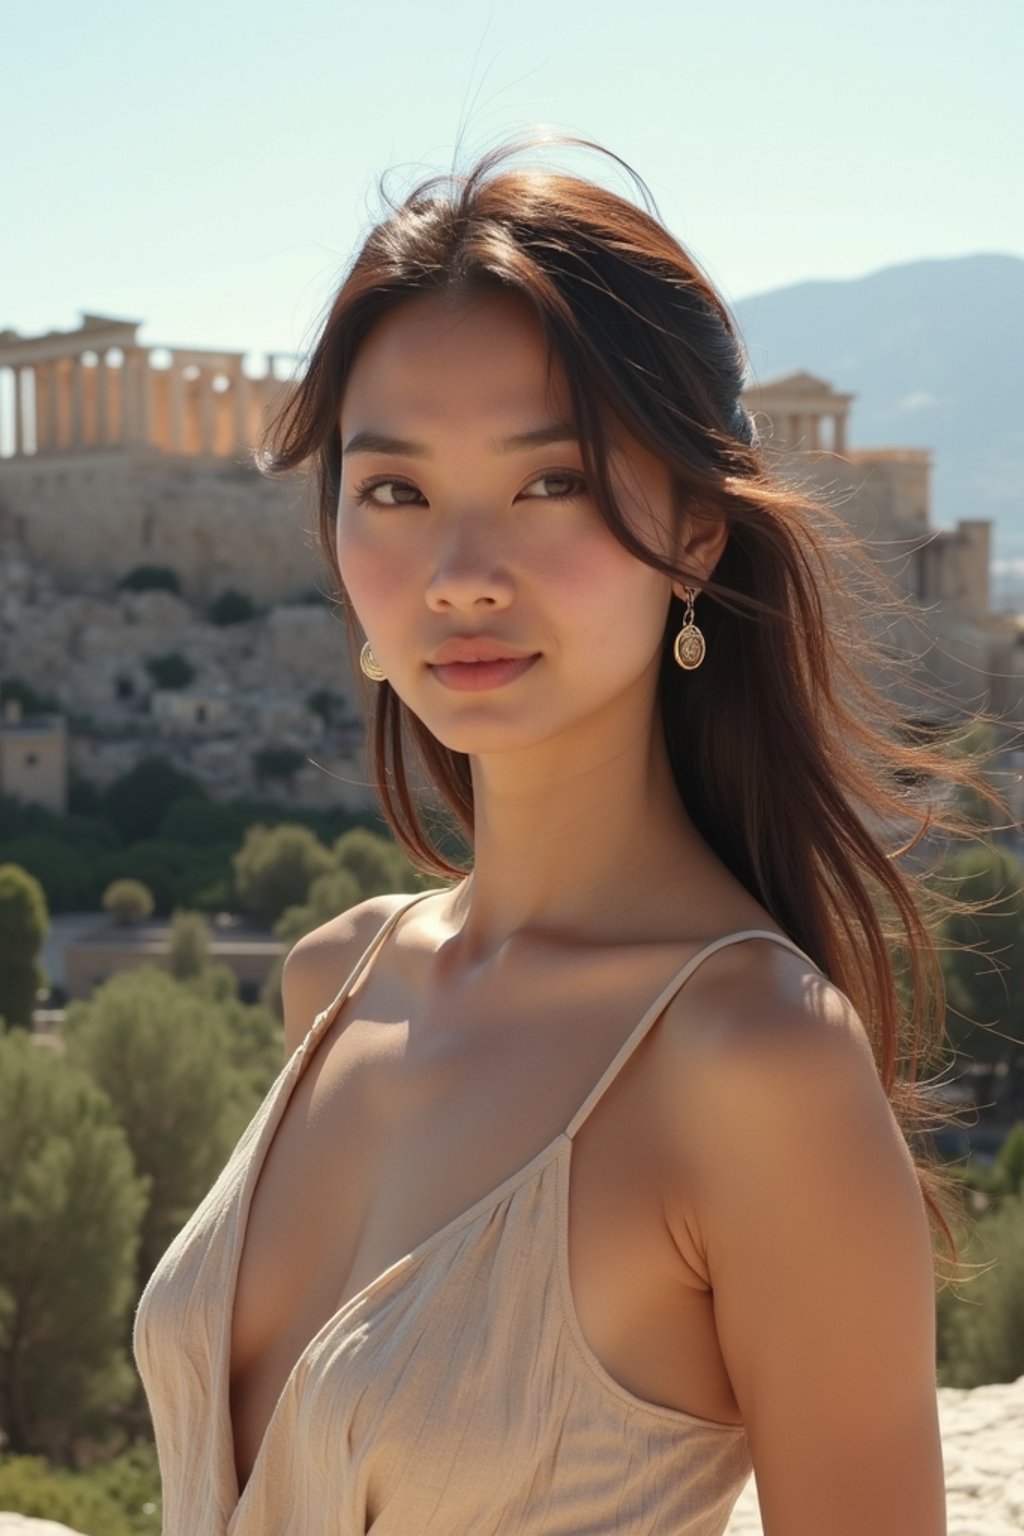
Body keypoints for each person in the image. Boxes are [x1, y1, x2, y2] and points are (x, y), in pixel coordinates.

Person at [134, 134, 1003, 1535]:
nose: (462, 574)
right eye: (395, 491)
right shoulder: (335, 980)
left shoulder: (757, 1065)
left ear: (700, 534)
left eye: (552, 484)